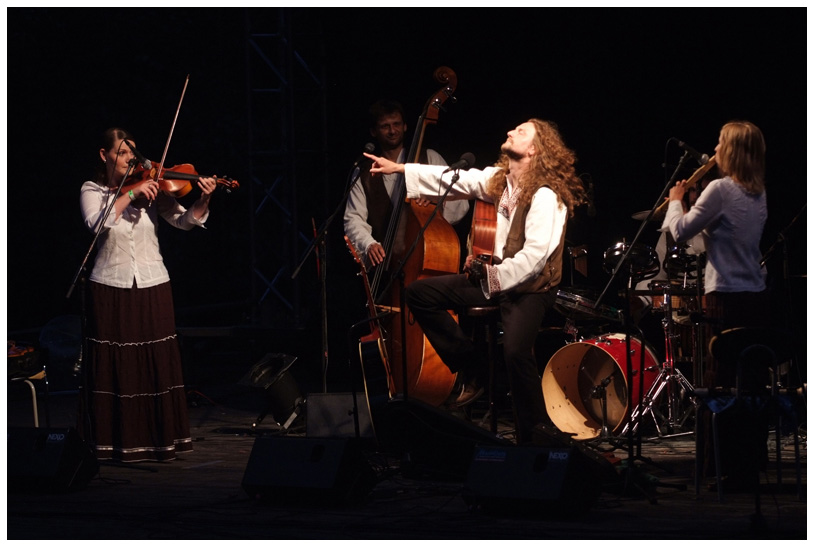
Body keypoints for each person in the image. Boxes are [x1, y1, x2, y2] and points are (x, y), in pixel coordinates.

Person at [364, 119, 585, 445]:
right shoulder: (500, 181)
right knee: (419, 293)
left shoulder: (546, 195)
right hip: (498, 279)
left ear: (535, 150)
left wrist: (492, 276)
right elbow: (455, 180)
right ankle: (474, 367)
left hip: (531, 289)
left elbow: (535, 257)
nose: (510, 131)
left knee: (515, 353)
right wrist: (400, 169)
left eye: (521, 132)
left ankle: (536, 436)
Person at [78, 127, 218, 462]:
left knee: (156, 364)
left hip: (154, 282)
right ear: (104, 155)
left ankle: (159, 441)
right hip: (110, 285)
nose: (132, 159)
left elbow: (184, 221)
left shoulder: (152, 186)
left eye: (133, 152)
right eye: (123, 153)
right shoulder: (92, 190)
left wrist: (204, 199)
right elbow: (97, 223)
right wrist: (132, 192)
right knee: (118, 368)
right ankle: (113, 444)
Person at [663, 120, 770, 488]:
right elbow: (721, 234)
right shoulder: (758, 192)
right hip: (755, 297)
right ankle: (747, 466)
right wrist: (696, 206)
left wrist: (676, 201)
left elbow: (680, 233)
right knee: (749, 384)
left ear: (733, 150)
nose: (716, 149)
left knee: (721, 382)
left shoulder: (720, 189)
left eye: (721, 143)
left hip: (724, 297)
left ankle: (722, 466)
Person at [344, 99, 469, 268]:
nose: (392, 131)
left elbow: (461, 201)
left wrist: (436, 204)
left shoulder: (429, 158)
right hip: (387, 265)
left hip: (428, 257)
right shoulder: (364, 172)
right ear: (374, 131)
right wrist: (368, 244)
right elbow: (353, 218)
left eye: (396, 124)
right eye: (385, 126)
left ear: (405, 126)